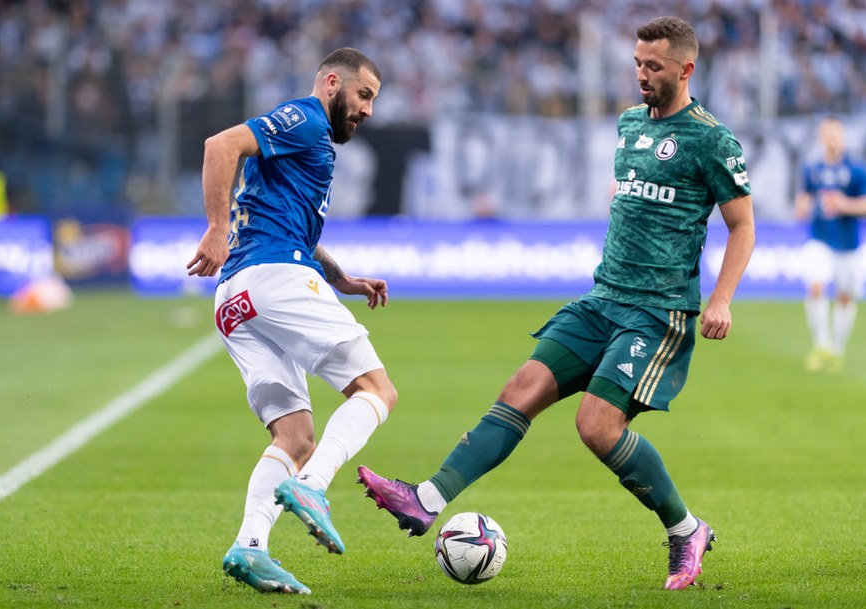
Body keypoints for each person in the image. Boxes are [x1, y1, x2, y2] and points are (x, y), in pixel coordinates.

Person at [358, 16, 755, 591]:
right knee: (520, 389)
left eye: (654, 67)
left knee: (596, 426)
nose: (642, 75)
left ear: (686, 69)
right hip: (603, 300)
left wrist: (721, 299)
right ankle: (424, 500)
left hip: (656, 311)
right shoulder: (628, 125)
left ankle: (685, 529)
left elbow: (742, 226)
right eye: (638, 63)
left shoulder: (711, 139)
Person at [186, 48, 396, 595]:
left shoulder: (306, 146)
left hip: (236, 299)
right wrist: (215, 227)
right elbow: (221, 144)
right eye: (365, 95)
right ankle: (315, 488)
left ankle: (250, 546)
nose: (368, 110)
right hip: (271, 277)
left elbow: (295, 227)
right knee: (377, 391)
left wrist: (342, 279)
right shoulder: (304, 118)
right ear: (332, 82)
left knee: (295, 434)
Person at [794, 116, 866, 373]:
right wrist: (801, 206)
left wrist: (844, 204)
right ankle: (822, 343)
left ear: (843, 137)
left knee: (845, 297)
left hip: (849, 245)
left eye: (835, 133)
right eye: (827, 133)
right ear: (822, 137)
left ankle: (837, 349)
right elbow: (804, 198)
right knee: (815, 286)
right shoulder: (812, 169)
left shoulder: (857, 171)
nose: (832, 138)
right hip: (820, 240)